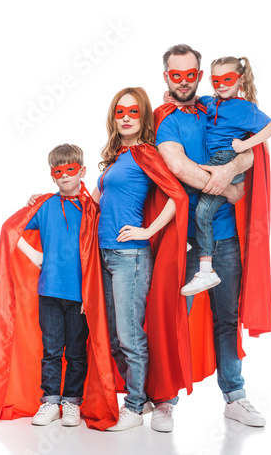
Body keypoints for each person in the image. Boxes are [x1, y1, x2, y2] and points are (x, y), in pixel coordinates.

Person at [151, 44, 271, 430]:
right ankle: (165, 399)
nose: (184, 81)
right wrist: (227, 186)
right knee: (175, 317)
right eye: (176, 75)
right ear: (167, 77)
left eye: (191, 74)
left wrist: (235, 165)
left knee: (228, 318)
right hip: (185, 239)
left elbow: (252, 151)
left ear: (200, 76)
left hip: (226, 239)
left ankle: (234, 396)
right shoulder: (166, 119)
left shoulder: (216, 106)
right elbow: (177, 165)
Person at [0, 144, 119, 431]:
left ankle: (72, 402)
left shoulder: (92, 209)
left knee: (76, 351)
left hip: (80, 297)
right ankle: (51, 400)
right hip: (50, 292)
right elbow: (10, 229)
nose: (65, 176)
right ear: (52, 175)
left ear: (82, 171)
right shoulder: (45, 206)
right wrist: (35, 256)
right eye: (58, 171)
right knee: (52, 349)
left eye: (70, 170)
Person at [91, 87, 190, 431]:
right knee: (112, 333)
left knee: (129, 335)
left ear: (143, 115)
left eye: (134, 112)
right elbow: (94, 203)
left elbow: (177, 196)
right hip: (103, 254)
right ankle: (142, 398)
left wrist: (147, 231)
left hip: (129, 257)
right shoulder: (116, 157)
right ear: (113, 117)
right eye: (120, 112)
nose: (127, 118)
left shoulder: (145, 154)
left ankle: (133, 407)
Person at [169, 56, 271, 296]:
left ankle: (205, 269)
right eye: (216, 80)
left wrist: (244, 145)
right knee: (183, 187)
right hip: (213, 160)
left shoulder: (244, 107)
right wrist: (173, 98)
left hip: (227, 159)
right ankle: (179, 241)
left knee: (203, 210)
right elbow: (195, 98)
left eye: (227, 79)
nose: (221, 85)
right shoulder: (212, 102)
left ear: (240, 80)